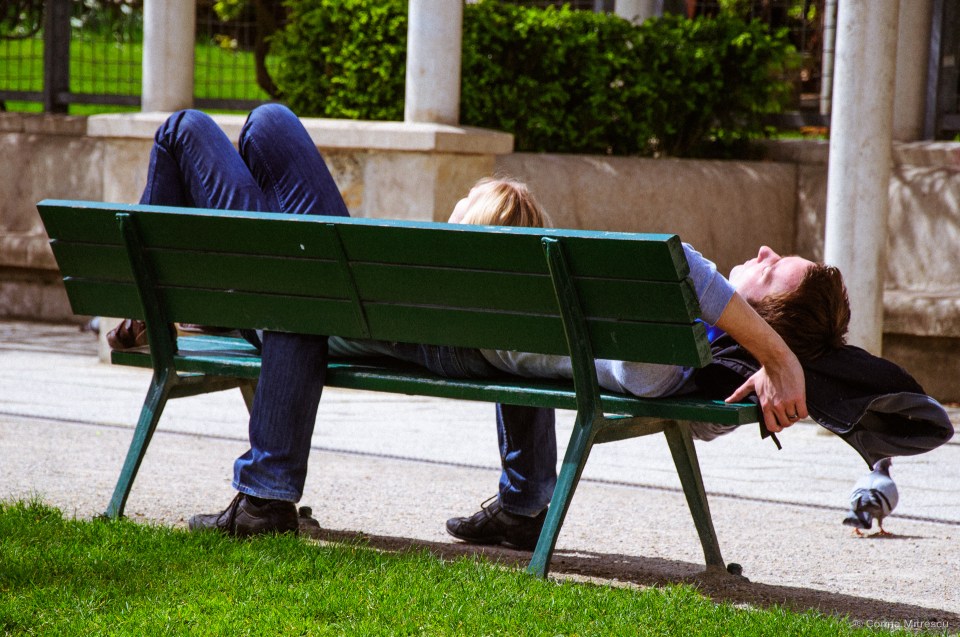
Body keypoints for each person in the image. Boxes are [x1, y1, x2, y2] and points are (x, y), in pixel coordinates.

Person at [132, 105, 950, 545]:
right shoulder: (680, 352)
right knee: (265, 130)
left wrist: (780, 356)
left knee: (208, 127)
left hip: (370, 317)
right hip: (427, 325)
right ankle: (524, 501)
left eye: (776, 267)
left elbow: (685, 265)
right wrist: (786, 361)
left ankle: (161, 309)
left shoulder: (670, 346)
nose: (765, 248)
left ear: (767, 313)